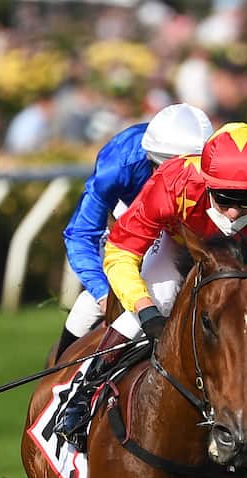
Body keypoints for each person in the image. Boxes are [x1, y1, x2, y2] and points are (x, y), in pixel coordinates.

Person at [54, 122, 247, 459]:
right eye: (225, 199)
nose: (232, 212)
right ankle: (82, 394)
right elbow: (121, 252)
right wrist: (146, 311)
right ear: (207, 182)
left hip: (238, 263)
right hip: (179, 243)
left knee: (241, 338)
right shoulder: (174, 181)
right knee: (164, 292)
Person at [58, 103, 213, 359]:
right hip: (132, 217)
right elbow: (81, 234)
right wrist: (102, 293)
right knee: (93, 305)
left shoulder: (214, 165)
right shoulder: (119, 164)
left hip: (181, 226)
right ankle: (67, 386)